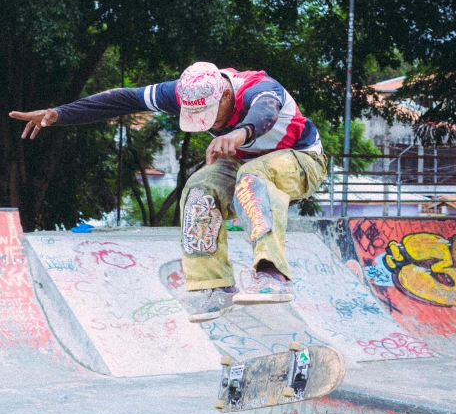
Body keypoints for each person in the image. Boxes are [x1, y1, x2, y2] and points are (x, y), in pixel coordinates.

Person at [10, 62, 327, 322]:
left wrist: (239, 132)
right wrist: (61, 114)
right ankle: (215, 287)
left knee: (252, 177)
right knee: (199, 189)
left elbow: (266, 113)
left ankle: (273, 275)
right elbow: (125, 98)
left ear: (227, 95)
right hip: (246, 164)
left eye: (212, 115)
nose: (207, 124)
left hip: (301, 160)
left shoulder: (258, 89)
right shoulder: (181, 91)